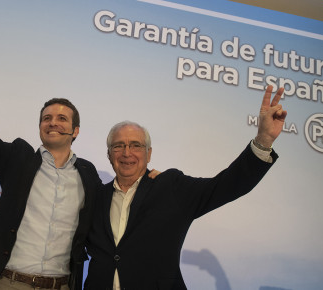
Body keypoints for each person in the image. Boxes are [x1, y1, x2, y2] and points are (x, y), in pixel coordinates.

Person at [0, 29, 102, 290]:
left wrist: (149, 178)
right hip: (8, 282)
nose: (53, 122)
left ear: (75, 130)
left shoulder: (88, 175)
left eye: (62, 119)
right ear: (40, 126)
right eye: (47, 118)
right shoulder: (18, 159)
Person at [84, 86, 287, 289]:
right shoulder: (95, 196)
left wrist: (264, 140)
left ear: (149, 154)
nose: (127, 153)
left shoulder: (170, 186)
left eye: (136, 145)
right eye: (118, 146)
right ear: (109, 155)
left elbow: (226, 186)